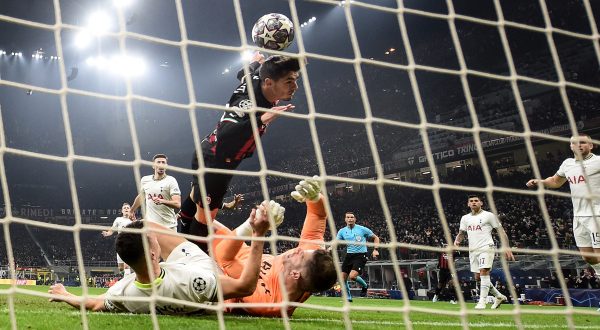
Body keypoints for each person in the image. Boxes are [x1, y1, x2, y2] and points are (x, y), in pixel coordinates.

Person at [48, 202, 272, 314]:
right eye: (153, 241)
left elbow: (95, 303)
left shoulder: (125, 293)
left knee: (142, 226)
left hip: (165, 275)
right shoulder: (194, 282)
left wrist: (65, 294)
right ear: (154, 254)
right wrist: (259, 234)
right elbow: (245, 287)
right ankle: (246, 226)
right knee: (149, 225)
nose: (156, 239)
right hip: (200, 266)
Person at [178, 53, 301, 235]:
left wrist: (253, 62)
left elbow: (244, 74)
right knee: (205, 221)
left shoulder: (255, 80)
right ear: (268, 82)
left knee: (196, 195)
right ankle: (190, 254)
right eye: (289, 82)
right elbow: (226, 134)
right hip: (217, 163)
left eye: (295, 80)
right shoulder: (248, 104)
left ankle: (182, 224)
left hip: (209, 153)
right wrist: (263, 119)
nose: (295, 86)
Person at [207, 177, 337, 317]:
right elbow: (317, 216)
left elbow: (223, 258)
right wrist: (315, 197)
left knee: (196, 230)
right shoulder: (308, 263)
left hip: (215, 269)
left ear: (295, 274)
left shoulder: (267, 302)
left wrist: (252, 228)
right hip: (236, 251)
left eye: (301, 255)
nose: (299, 250)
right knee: (199, 218)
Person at [526, 134, 600, 275]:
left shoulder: (598, 161)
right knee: (588, 256)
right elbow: (555, 181)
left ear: (590, 145)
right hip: (578, 216)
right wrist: (540, 182)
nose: (579, 145)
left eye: (583, 142)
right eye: (574, 143)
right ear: (571, 146)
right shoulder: (568, 164)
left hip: (597, 214)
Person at [454, 194, 515, 310]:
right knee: (478, 277)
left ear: (481, 203)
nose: (473, 202)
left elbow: (501, 231)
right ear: (468, 204)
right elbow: (461, 233)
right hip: (472, 250)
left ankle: (482, 302)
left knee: (484, 271)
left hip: (486, 247)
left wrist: (506, 246)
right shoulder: (465, 218)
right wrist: (456, 241)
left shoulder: (489, 216)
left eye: (476, 201)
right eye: (471, 201)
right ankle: (499, 296)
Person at [336, 212, 380, 302]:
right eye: (348, 217)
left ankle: (365, 286)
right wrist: (329, 248)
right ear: (345, 219)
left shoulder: (362, 229)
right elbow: (336, 242)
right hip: (349, 255)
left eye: (352, 217)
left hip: (361, 255)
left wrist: (375, 249)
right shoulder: (342, 231)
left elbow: (376, 238)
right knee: (342, 278)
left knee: (352, 276)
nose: (350, 219)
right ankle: (348, 298)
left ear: (355, 219)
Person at [130, 154, 181, 230]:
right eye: (158, 162)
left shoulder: (171, 180)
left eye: (163, 162)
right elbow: (141, 196)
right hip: (151, 226)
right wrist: (132, 210)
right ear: (153, 166)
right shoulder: (145, 180)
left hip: (169, 226)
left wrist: (162, 201)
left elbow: (177, 204)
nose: (161, 164)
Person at [101, 203, 134, 274]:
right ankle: (124, 274)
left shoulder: (133, 220)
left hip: (129, 243)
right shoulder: (118, 219)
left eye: (128, 208)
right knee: (121, 268)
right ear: (122, 211)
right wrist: (107, 233)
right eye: (124, 208)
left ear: (130, 210)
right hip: (120, 243)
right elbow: (112, 229)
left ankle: (126, 281)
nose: (126, 209)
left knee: (126, 266)